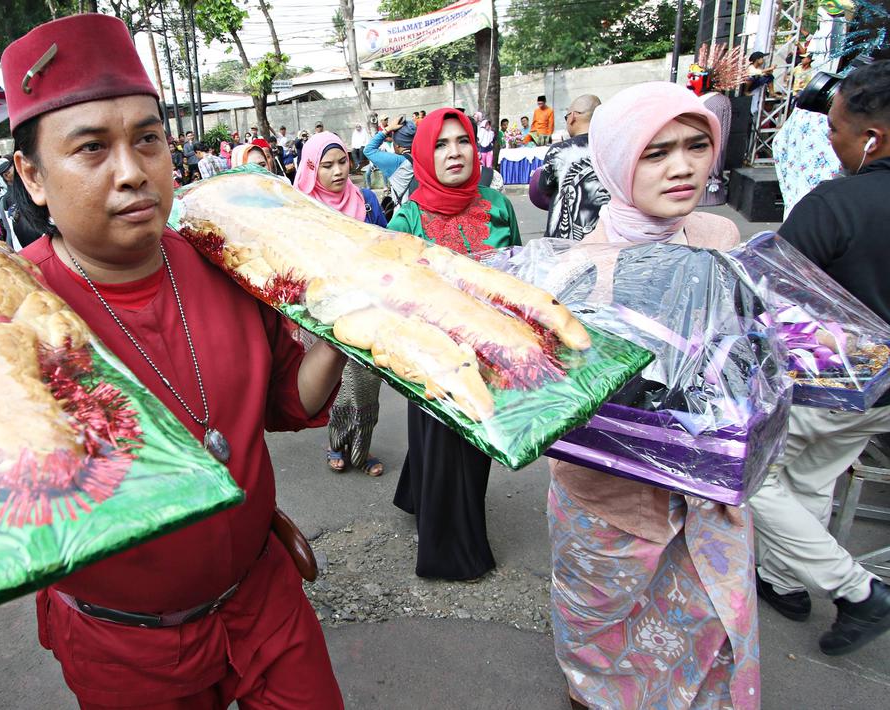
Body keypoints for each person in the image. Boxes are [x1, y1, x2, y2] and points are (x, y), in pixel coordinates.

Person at [1, 15, 346, 708]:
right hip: (126, 649)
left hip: (262, 601)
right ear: (33, 176)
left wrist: (340, 333)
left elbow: (288, 399)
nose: (132, 172)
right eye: (92, 149)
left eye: (148, 139)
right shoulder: (6, 317)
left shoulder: (225, 259)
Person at [546, 82, 758, 709]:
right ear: (616, 159)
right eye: (655, 152)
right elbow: (553, 403)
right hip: (606, 504)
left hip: (706, 494)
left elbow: (747, 349)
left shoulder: (720, 238)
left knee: (702, 640)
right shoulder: (574, 273)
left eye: (697, 146)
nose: (683, 167)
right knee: (599, 648)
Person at [749, 60, 890, 657]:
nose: (829, 141)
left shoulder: (838, 203)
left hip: (832, 387)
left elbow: (765, 291)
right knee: (811, 477)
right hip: (877, 404)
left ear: (872, 138)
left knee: (754, 480)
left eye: (835, 130)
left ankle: (857, 592)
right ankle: (784, 582)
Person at [387, 108, 520, 582]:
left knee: (476, 445)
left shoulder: (498, 205)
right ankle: (453, 553)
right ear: (423, 154)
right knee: (445, 444)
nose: (454, 153)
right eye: (440, 145)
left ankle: (415, 495)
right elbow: (389, 290)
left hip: (491, 351)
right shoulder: (408, 216)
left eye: (461, 141)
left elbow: (520, 273)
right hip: (434, 357)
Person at [293, 132, 387, 478]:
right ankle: (336, 443)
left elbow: (386, 243)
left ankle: (362, 448)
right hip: (320, 311)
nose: (337, 172)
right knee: (337, 383)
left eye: (342, 162)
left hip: (365, 306)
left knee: (365, 382)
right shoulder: (301, 209)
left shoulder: (366, 200)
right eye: (326, 165)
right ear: (312, 169)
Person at [536, 94, 608, 241]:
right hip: (607, 239)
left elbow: (544, 187)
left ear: (573, 116)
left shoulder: (559, 151)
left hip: (562, 243)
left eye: (566, 117)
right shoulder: (614, 148)